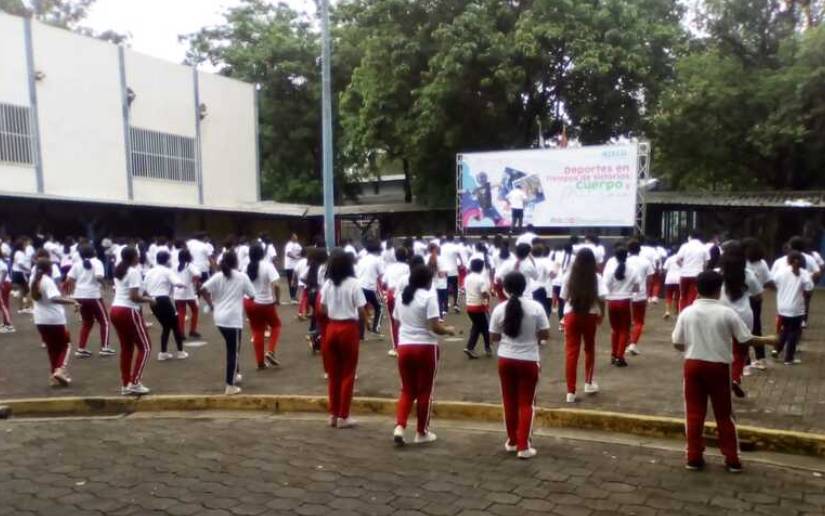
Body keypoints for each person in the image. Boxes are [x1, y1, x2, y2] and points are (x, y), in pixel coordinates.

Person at [672, 271, 775, 472]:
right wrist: (768, 340)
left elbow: (677, 342)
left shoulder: (687, 312)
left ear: (696, 289)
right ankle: (732, 458)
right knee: (724, 414)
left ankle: (693, 457)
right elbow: (745, 339)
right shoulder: (726, 313)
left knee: (693, 413)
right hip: (718, 367)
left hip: (692, 365)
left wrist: (693, 348)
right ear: (719, 291)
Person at [392, 264, 456, 446]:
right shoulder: (429, 297)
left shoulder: (401, 297)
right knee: (425, 391)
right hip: (426, 347)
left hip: (404, 346)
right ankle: (422, 431)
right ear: (428, 281)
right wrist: (448, 330)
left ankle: (400, 426)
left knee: (406, 389)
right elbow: (434, 326)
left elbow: (397, 321)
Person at [489, 271, 550, 459]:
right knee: (526, 403)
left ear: (505, 289)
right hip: (529, 359)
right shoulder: (536, 308)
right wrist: (533, 338)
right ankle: (524, 445)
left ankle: (512, 440)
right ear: (525, 287)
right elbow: (545, 334)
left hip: (506, 359)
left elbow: (493, 337)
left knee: (509, 401)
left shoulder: (500, 309)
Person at [319, 249, 368, 428]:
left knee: (334, 374)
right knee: (348, 373)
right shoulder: (354, 283)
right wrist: (363, 327)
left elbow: (322, 307)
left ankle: (333, 414)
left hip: (332, 327)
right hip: (348, 328)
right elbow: (362, 309)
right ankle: (343, 415)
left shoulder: (328, 284)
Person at [200, 251, 257, 395]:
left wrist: (211, 303)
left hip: (219, 318)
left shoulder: (218, 276)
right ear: (236, 262)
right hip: (233, 319)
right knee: (233, 351)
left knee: (233, 348)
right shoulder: (242, 277)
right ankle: (229, 385)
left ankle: (235, 374)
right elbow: (252, 295)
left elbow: (202, 289)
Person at [559, 248, 607, 403]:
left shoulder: (568, 276)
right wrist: (602, 314)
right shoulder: (597, 278)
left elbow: (564, 298)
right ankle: (588, 383)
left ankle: (570, 392)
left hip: (571, 315)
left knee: (571, 353)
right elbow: (602, 298)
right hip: (590, 315)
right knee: (589, 349)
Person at [718, 242, 763, 398]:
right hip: (743, 316)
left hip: (720, 315)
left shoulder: (717, 273)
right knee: (741, 351)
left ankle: (720, 379)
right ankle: (735, 378)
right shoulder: (748, 274)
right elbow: (758, 296)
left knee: (721, 348)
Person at [110, 247, 155, 395]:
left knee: (127, 348)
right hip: (128, 310)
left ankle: (125, 384)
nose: (139, 257)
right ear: (134, 257)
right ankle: (135, 383)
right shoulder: (133, 271)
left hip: (115, 309)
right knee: (146, 347)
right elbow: (134, 296)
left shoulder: (119, 270)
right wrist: (150, 300)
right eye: (138, 255)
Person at [30, 258, 79, 387]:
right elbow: (54, 298)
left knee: (52, 349)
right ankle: (60, 370)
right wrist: (72, 301)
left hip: (40, 319)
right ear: (49, 268)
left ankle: (54, 376)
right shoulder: (47, 281)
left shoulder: (33, 280)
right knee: (65, 345)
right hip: (54, 319)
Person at [67, 244, 114, 357]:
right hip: (93, 295)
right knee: (105, 321)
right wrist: (105, 284)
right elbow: (98, 276)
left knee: (87, 322)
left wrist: (72, 294)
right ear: (94, 252)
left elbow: (70, 279)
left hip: (80, 295)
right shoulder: (97, 262)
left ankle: (81, 348)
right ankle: (105, 347)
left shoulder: (77, 264)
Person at [769, 251, 813, 365]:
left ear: (789, 260)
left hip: (782, 307)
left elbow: (772, 283)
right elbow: (809, 288)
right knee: (793, 332)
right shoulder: (804, 273)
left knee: (784, 329)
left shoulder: (781, 271)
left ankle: (776, 350)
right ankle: (789, 358)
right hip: (796, 308)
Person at [244, 243, 282, 369]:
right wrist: (277, 299)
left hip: (249, 302)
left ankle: (260, 362)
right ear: (262, 254)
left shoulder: (246, 267)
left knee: (257, 331)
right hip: (265, 302)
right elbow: (276, 285)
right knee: (276, 325)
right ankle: (270, 351)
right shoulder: (267, 266)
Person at [144, 251, 187, 361]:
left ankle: (163, 353)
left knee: (166, 326)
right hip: (163, 300)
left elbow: (144, 288)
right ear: (167, 260)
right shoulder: (167, 271)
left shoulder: (149, 272)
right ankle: (180, 352)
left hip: (152, 302)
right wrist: (185, 285)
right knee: (176, 326)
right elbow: (177, 283)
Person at [604, 246, 640, 367]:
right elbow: (637, 287)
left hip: (612, 301)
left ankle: (613, 355)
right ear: (627, 255)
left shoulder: (609, 269)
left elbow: (605, 286)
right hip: (625, 301)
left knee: (615, 330)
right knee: (624, 330)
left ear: (615, 256)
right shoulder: (633, 269)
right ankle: (620, 356)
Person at [743, 238, 770, 371]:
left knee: (742, 329)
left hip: (742, 299)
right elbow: (766, 280)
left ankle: (745, 361)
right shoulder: (762, 263)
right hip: (757, 299)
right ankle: (761, 359)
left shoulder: (742, 263)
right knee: (757, 328)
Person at [626, 240, 653, 356]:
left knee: (626, 321)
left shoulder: (624, 261)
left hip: (625, 293)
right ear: (639, 249)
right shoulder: (646, 262)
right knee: (639, 321)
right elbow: (650, 278)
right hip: (640, 294)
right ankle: (632, 344)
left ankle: (625, 343)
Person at [384, 246, 411, 357]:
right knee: (406, 320)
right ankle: (406, 344)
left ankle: (396, 348)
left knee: (393, 321)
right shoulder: (408, 268)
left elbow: (384, 281)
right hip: (405, 295)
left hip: (392, 294)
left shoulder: (390, 267)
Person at [463, 258, 492, 358]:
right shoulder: (481, 279)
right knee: (485, 327)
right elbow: (484, 293)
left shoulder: (467, 278)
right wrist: (486, 304)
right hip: (479, 306)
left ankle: (483, 347)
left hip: (469, 306)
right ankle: (477, 347)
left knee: (478, 326)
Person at [357, 240, 385, 337]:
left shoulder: (361, 259)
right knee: (380, 307)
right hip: (370, 287)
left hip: (359, 287)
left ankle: (360, 334)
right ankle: (375, 329)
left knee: (361, 309)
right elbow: (382, 274)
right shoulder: (377, 260)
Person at [676, 231, 710, 311]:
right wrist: (702, 270)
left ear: (690, 236)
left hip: (684, 274)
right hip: (697, 274)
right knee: (693, 296)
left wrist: (684, 267)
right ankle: (691, 313)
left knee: (683, 296)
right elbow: (706, 263)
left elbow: (678, 260)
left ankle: (682, 313)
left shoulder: (685, 246)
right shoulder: (703, 247)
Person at [174, 249, 202, 339]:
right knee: (195, 310)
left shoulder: (176, 266)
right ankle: (192, 330)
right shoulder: (189, 265)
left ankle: (181, 333)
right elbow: (198, 274)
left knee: (181, 313)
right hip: (188, 292)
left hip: (178, 292)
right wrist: (193, 281)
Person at [439, 235, 464, 312]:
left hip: (445, 270)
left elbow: (440, 257)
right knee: (455, 288)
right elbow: (459, 255)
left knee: (445, 288)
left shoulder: (442, 247)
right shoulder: (455, 247)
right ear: (453, 239)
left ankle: (445, 306)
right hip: (453, 270)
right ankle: (455, 305)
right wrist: (462, 263)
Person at [427, 243, 449, 317]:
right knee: (440, 301)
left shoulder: (425, 258)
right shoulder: (442, 259)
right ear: (436, 250)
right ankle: (439, 316)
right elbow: (442, 274)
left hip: (430, 284)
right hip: (441, 284)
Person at [662, 249, 682, 320]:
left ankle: (667, 311)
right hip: (679, 279)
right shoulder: (682, 259)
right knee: (678, 297)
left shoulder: (669, 259)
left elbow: (664, 269)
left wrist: (666, 275)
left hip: (669, 279)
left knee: (668, 296)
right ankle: (676, 312)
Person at [284, 233, 302, 303]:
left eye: (296, 237)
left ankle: (294, 296)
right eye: (295, 237)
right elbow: (288, 253)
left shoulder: (298, 245)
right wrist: (295, 257)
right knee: (291, 281)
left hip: (296, 266)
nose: (296, 238)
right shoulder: (289, 245)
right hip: (290, 266)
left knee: (296, 281)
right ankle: (292, 297)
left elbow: (301, 252)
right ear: (291, 238)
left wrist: (299, 255)